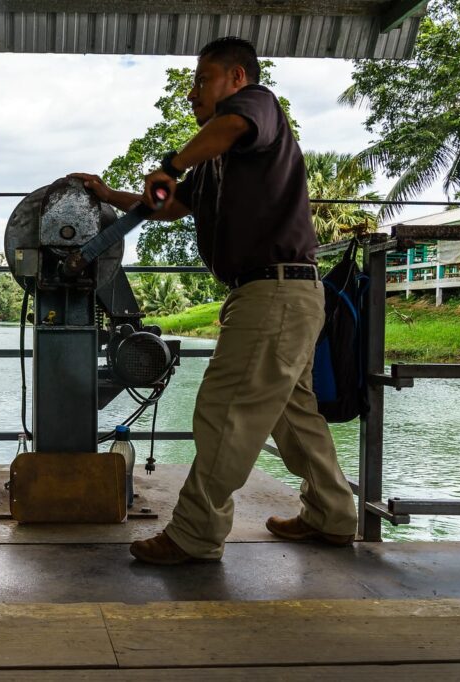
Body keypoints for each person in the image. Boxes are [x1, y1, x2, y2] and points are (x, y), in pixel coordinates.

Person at [69, 36, 357, 565]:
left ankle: (195, 534)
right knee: (294, 417)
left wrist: (170, 162)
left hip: (274, 291)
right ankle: (332, 514)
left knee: (224, 411)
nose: (193, 94)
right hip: (281, 294)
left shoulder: (255, 109)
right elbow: (169, 205)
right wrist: (111, 196)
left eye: (202, 80)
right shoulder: (216, 163)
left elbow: (218, 135)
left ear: (236, 79)